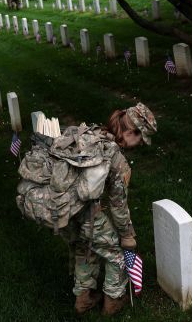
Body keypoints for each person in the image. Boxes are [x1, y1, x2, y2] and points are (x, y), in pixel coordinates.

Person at [61, 102, 157, 316]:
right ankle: (113, 302)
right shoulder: (118, 160)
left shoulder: (94, 135)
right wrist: (127, 236)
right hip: (88, 214)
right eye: (140, 138)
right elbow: (118, 205)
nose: (140, 143)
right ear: (131, 132)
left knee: (85, 249)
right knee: (117, 253)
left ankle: (83, 300)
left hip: (67, 212)